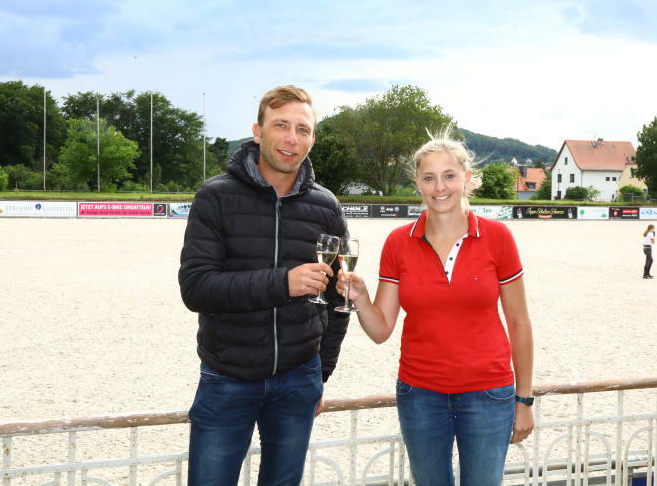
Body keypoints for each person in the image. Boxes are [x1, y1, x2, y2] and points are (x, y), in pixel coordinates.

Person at [336, 131, 535, 486]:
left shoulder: (497, 237)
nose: (439, 186)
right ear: (418, 183)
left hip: (488, 394)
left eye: (449, 175)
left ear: (467, 178)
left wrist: (524, 399)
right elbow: (381, 330)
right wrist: (361, 299)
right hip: (420, 395)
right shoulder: (398, 242)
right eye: (429, 177)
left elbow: (519, 323)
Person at [178, 85, 349, 485]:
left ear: (312, 138)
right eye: (281, 126)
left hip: (298, 378)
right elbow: (196, 288)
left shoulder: (326, 206)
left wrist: (319, 374)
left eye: (303, 129)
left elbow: (339, 297)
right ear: (258, 132)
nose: (292, 138)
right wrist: (283, 283)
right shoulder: (216, 196)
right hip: (228, 376)